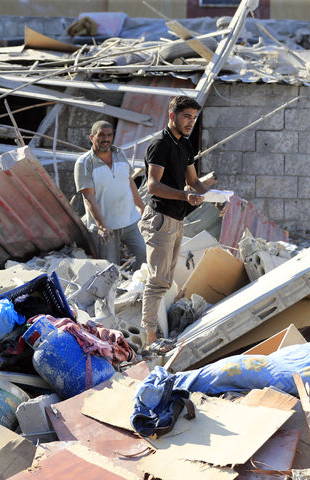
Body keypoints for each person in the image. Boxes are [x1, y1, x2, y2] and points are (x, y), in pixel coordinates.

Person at [139, 96, 209, 347]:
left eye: (193, 117)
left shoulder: (185, 145)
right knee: (157, 281)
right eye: (186, 116)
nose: (191, 122)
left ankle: (154, 334)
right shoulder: (160, 144)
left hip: (176, 218)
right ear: (172, 117)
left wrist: (213, 197)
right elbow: (153, 186)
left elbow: (193, 181)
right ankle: (149, 340)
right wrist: (185, 195)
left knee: (165, 280)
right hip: (160, 219)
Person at [74, 120, 147, 269]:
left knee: (145, 255)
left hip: (130, 220)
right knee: (109, 268)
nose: (106, 139)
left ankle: (136, 287)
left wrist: (141, 207)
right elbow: (88, 196)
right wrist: (102, 225)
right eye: (101, 135)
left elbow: (129, 181)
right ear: (92, 137)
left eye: (109, 135)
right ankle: (118, 291)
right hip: (107, 228)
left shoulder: (120, 154)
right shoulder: (84, 163)